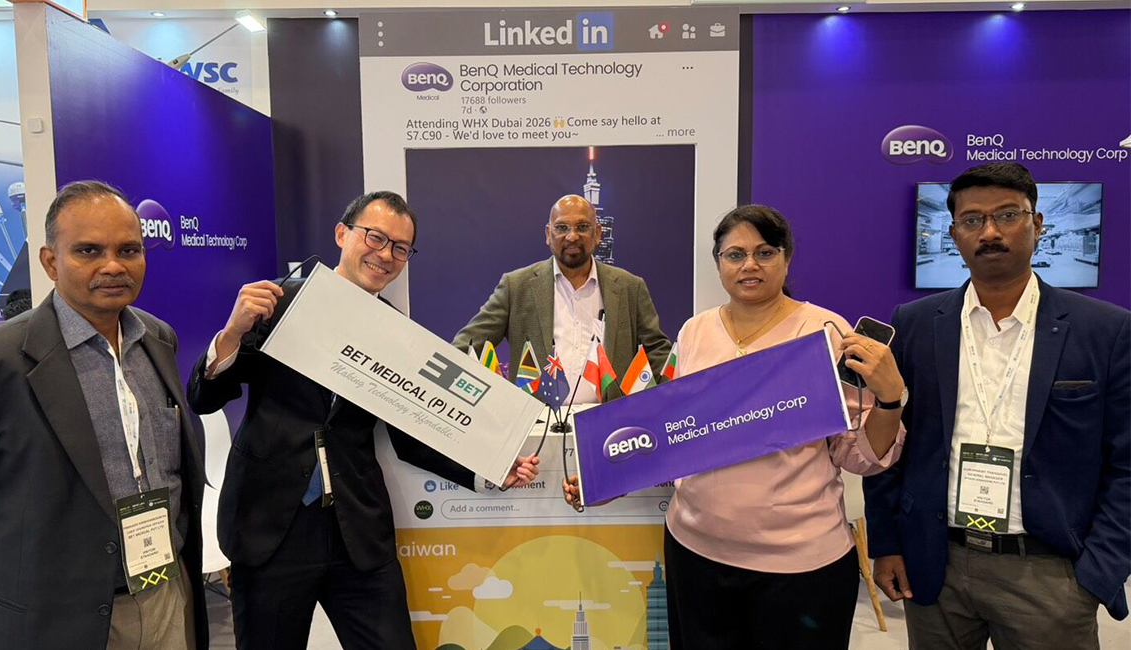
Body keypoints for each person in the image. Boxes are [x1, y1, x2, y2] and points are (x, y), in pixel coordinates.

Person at [187, 190, 540, 650]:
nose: (385, 255)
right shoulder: (278, 303)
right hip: (269, 527)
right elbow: (204, 398)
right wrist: (232, 333)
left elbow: (413, 433)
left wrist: (491, 465)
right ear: (342, 234)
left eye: (401, 248)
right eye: (375, 237)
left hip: (357, 531)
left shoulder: (397, 335)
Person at [564, 205, 907, 648]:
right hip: (696, 554)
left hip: (800, 567)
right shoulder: (695, 332)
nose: (749, 265)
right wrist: (609, 477)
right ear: (718, 263)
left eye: (765, 253)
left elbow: (859, 455)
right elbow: (672, 435)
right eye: (735, 255)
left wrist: (890, 400)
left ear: (787, 259)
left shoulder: (825, 333)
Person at [0, 181, 208, 650]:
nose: (113, 266)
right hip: (57, 615)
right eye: (88, 251)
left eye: (129, 250)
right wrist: (29, 566)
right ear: (50, 262)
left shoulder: (158, 339)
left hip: (166, 592)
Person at [864, 162, 1130, 649]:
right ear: (954, 235)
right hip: (936, 564)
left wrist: (1099, 571)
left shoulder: (1105, 330)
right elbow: (890, 443)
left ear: (1037, 225)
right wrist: (886, 544)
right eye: (972, 220)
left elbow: (1127, 463)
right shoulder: (915, 324)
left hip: (1050, 573)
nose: (989, 232)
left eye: (1008, 215)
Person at [453, 194, 671, 403]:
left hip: (608, 420)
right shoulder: (516, 286)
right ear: (549, 234)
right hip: (538, 420)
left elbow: (658, 353)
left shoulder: (630, 287)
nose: (572, 236)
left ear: (598, 233)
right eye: (562, 228)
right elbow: (466, 347)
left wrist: (665, 407)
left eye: (582, 227)